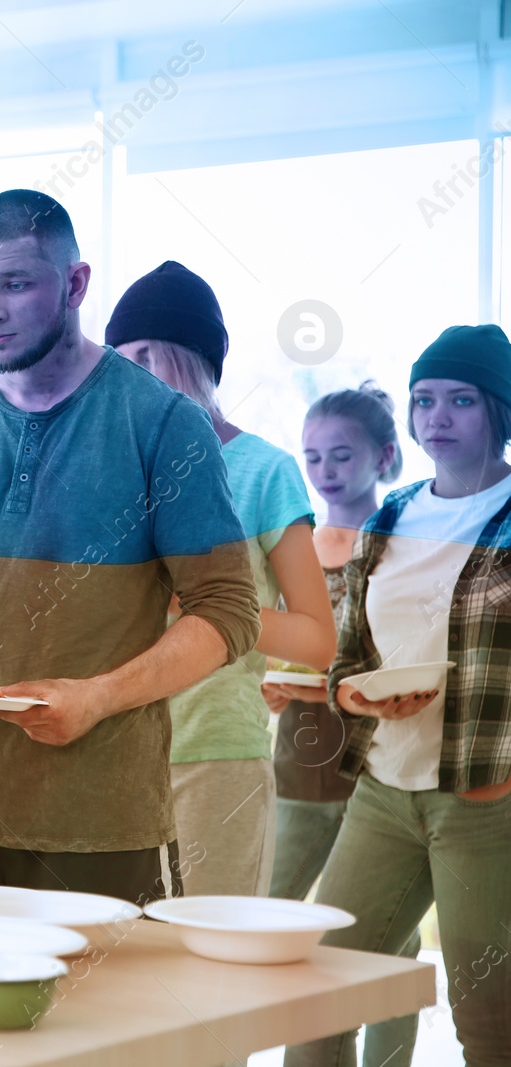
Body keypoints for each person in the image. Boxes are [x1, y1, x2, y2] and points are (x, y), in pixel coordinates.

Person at [0, 189, 261, 904]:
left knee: (115, 1020)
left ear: (75, 283)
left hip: (104, 827)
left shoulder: (163, 424)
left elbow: (228, 610)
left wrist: (99, 697)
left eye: (15, 283)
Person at [285, 326, 511, 1067]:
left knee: (490, 1026)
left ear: (498, 411)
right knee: (319, 998)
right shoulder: (392, 515)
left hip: (487, 797)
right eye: (424, 400)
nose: (437, 416)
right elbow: (350, 652)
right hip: (385, 790)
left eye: (460, 400)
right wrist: (354, 698)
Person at [104, 261, 336, 897]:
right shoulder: (109, 474)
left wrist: (214, 608)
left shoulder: (263, 471)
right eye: (119, 360)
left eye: (151, 356)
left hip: (216, 760)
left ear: (199, 362)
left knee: (210, 971)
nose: (133, 377)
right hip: (108, 756)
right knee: (118, 971)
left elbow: (318, 639)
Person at [264, 383, 419, 1067]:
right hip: (301, 760)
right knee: (271, 909)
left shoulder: (404, 538)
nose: (325, 469)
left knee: (390, 938)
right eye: (313, 455)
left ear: (384, 456)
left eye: (341, 454)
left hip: (381, 766)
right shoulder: (295, 541)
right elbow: (285, 638)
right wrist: (272, 680)